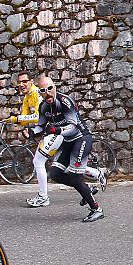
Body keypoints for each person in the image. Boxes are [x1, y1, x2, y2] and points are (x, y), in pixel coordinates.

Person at [28, 75, 106, 222]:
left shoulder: (64, 101)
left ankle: (96, 209)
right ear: (40, 92)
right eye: (44, 90)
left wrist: (56, 131)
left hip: (81, 138)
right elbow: (40, 125)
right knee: (56, 174)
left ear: (54, 87)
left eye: (50, 88)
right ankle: (87, 190)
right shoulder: (43, 106)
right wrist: (33, 132)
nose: (48, 92)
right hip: (68, 141)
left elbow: (73, 127)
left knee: (75, 177)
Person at [7, 71, 41, 139]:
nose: (21, 85)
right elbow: (24, 119)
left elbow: (38, 117)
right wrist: (14, 120)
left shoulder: (37, 93)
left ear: (31, 81)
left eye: (24, 81)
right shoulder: (27, 97)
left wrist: (17, 119)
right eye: (19, 82)